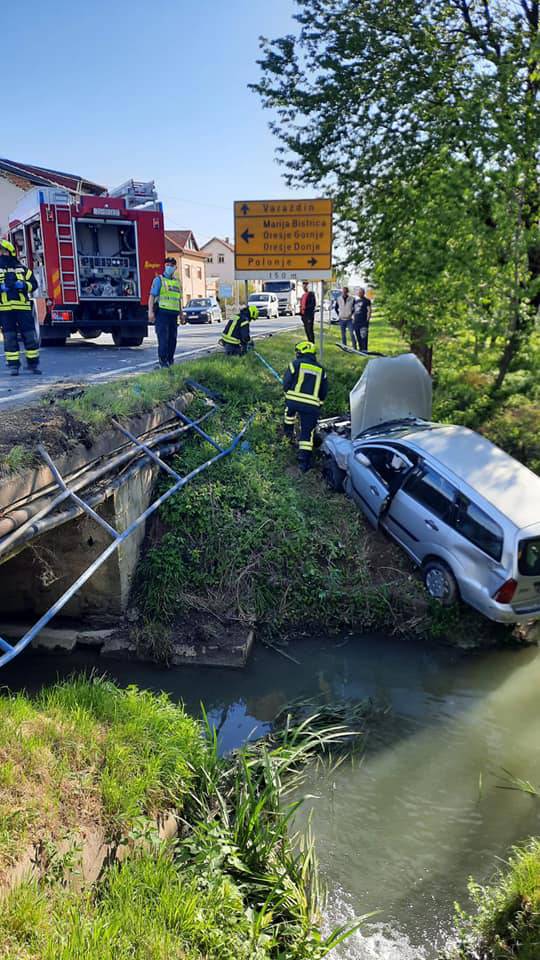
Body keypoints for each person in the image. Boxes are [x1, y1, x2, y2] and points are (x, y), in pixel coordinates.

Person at [283, 340, 328, 472]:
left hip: (293, 401)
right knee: (307, 433)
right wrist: (318, 404)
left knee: (289, 416)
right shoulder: (321, 369)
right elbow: (323, 391)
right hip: (311, 406)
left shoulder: (294, 364)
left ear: (301, 352)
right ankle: (304, 462)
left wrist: (288, 395)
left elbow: (286, 382)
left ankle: (288, 435)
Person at [0, 239, 40, 376]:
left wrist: (23, 285)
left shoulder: (22, 269)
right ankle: (14, 367)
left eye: (3, 251)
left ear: (10, 252)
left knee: (29, 337)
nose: (1, 254)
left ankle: (33, 364)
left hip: (23, 309)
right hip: (5, 311)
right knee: (10, 338)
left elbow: (34, 284)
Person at [148, 257, 182, 367]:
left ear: (175, 267)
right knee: (163, 339)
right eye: (167, 265)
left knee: (173, 340)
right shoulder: (159, 280)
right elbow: (152, 297)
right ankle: (163, 362)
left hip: (173, 315)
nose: (169, 267)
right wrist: (150, 312)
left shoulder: (177, 282)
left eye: (171, 265)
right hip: (162, 314)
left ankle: (170, 361)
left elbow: (178, 299)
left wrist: (181, 314)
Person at [352, 287, 372, 351]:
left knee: (364, 336)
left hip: (363, 322)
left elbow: (369, 310)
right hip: (356, 322)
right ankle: (360, 349)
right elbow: (354, 311)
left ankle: (365, 349)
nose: (359, 293)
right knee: (358, 336)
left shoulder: (367, 301)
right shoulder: (356, 301)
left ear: (363, 293)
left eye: (361, 292)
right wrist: (353, 319)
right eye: (358, 292)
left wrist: (367, 320)